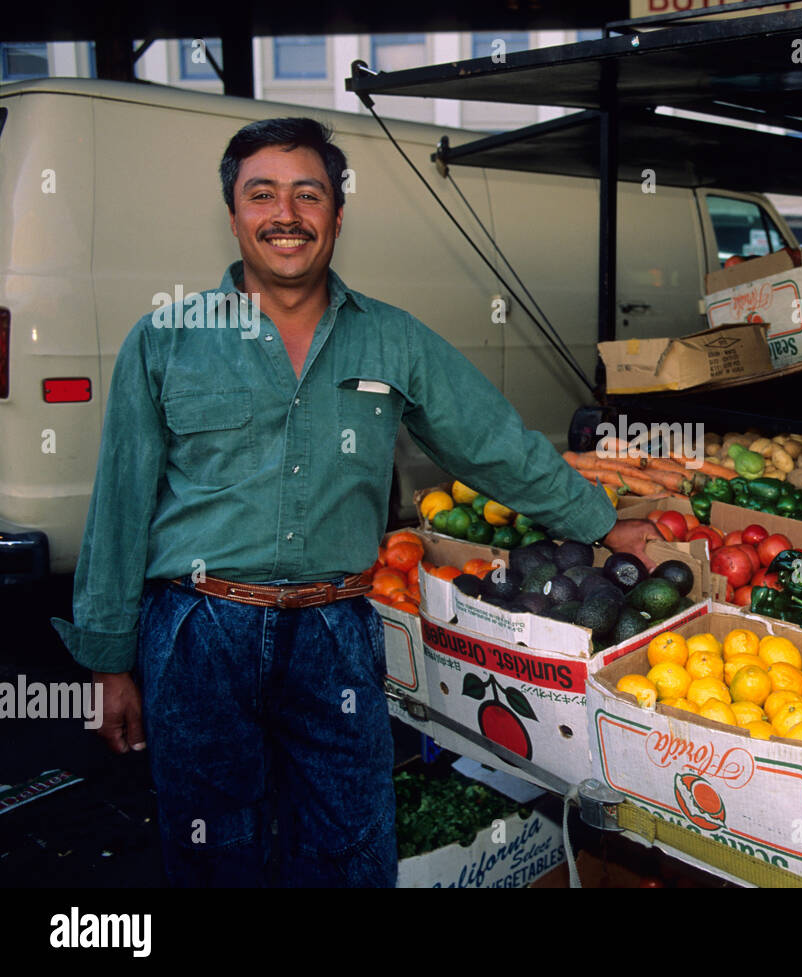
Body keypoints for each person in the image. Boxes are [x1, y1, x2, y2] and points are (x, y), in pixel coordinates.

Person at [52, 117, 656, 887]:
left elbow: (493, 442)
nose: (286, 214)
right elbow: (120, 503)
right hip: (200, 633)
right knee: (214, 855)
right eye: (261, 193)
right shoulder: (165, 339)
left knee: (352, 851)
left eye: (310, 195)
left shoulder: (393, 340)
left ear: (337, 216)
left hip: (334, 629)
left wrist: (605, 526)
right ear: (233, 212)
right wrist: (108, 662)